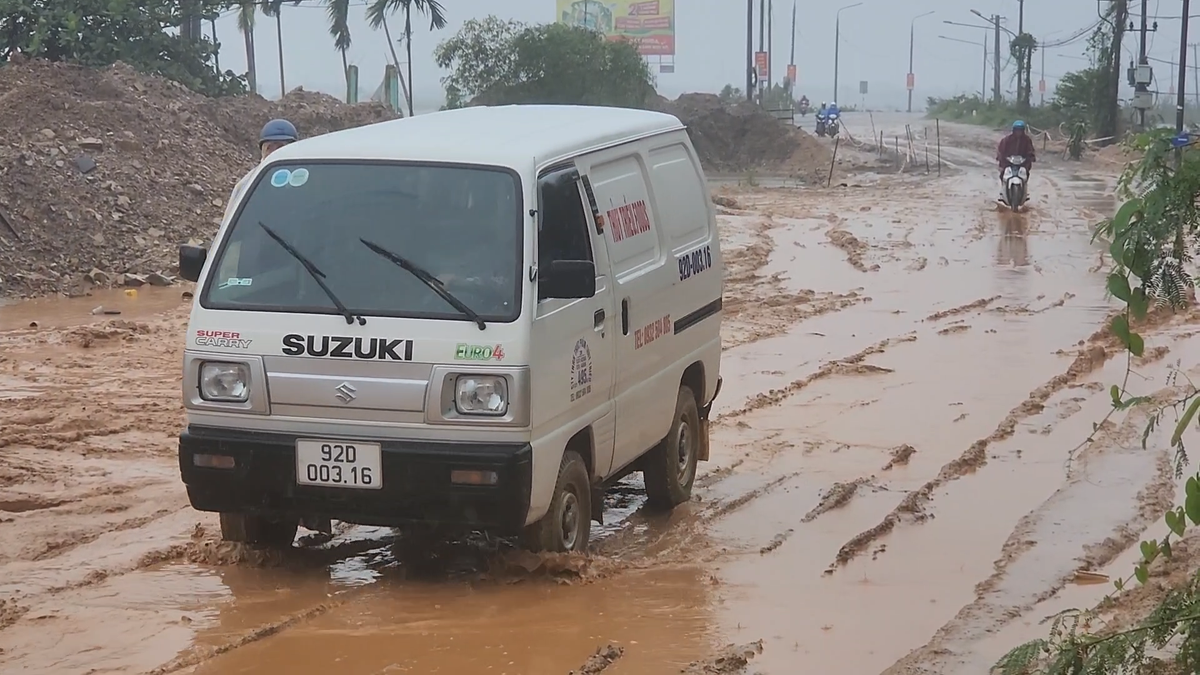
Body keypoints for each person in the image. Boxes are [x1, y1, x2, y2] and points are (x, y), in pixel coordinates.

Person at [996, 120, 1036, 200]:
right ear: (1014, 130)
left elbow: (1030, 150)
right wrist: (1000, 156)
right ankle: (1002, 192)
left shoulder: (1027, 140)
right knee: (1002, 174)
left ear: (1023, 131)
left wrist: (1031, 156)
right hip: (1008, 162)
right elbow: (1001, 150)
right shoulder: (1006, 140)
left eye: (1020, 130)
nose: (1019, 132)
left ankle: (1024, 191)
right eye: (1017, 130)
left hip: (1023, 163)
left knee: (1026, 174)